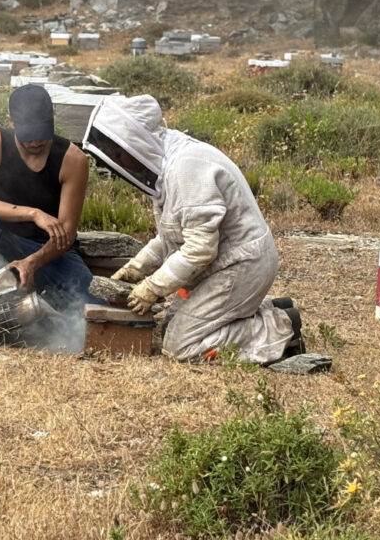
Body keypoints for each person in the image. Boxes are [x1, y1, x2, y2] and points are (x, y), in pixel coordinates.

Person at [82, 94, 303, 364]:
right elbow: (171, 236)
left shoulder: (187, 168)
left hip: (242, 266)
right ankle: (271, 310)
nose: (117, 162)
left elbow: (200, 249)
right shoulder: (168, 167)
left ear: (134, 144)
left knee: (181, 345)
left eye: (118, 154)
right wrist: (137, 267)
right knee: (169, 326)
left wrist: (152, 287)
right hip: (224, 265)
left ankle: (279, 326)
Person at [0, 84, 99, 314]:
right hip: (2, 242)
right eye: (27, 136)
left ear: (53, 116)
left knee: (94, 308)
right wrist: (34, 214)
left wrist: (32, 262)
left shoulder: (73, 159)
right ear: (11, 121)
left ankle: (39, 303)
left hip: (48, 252)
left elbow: (66, 233)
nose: (35, 142)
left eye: (42, 134)